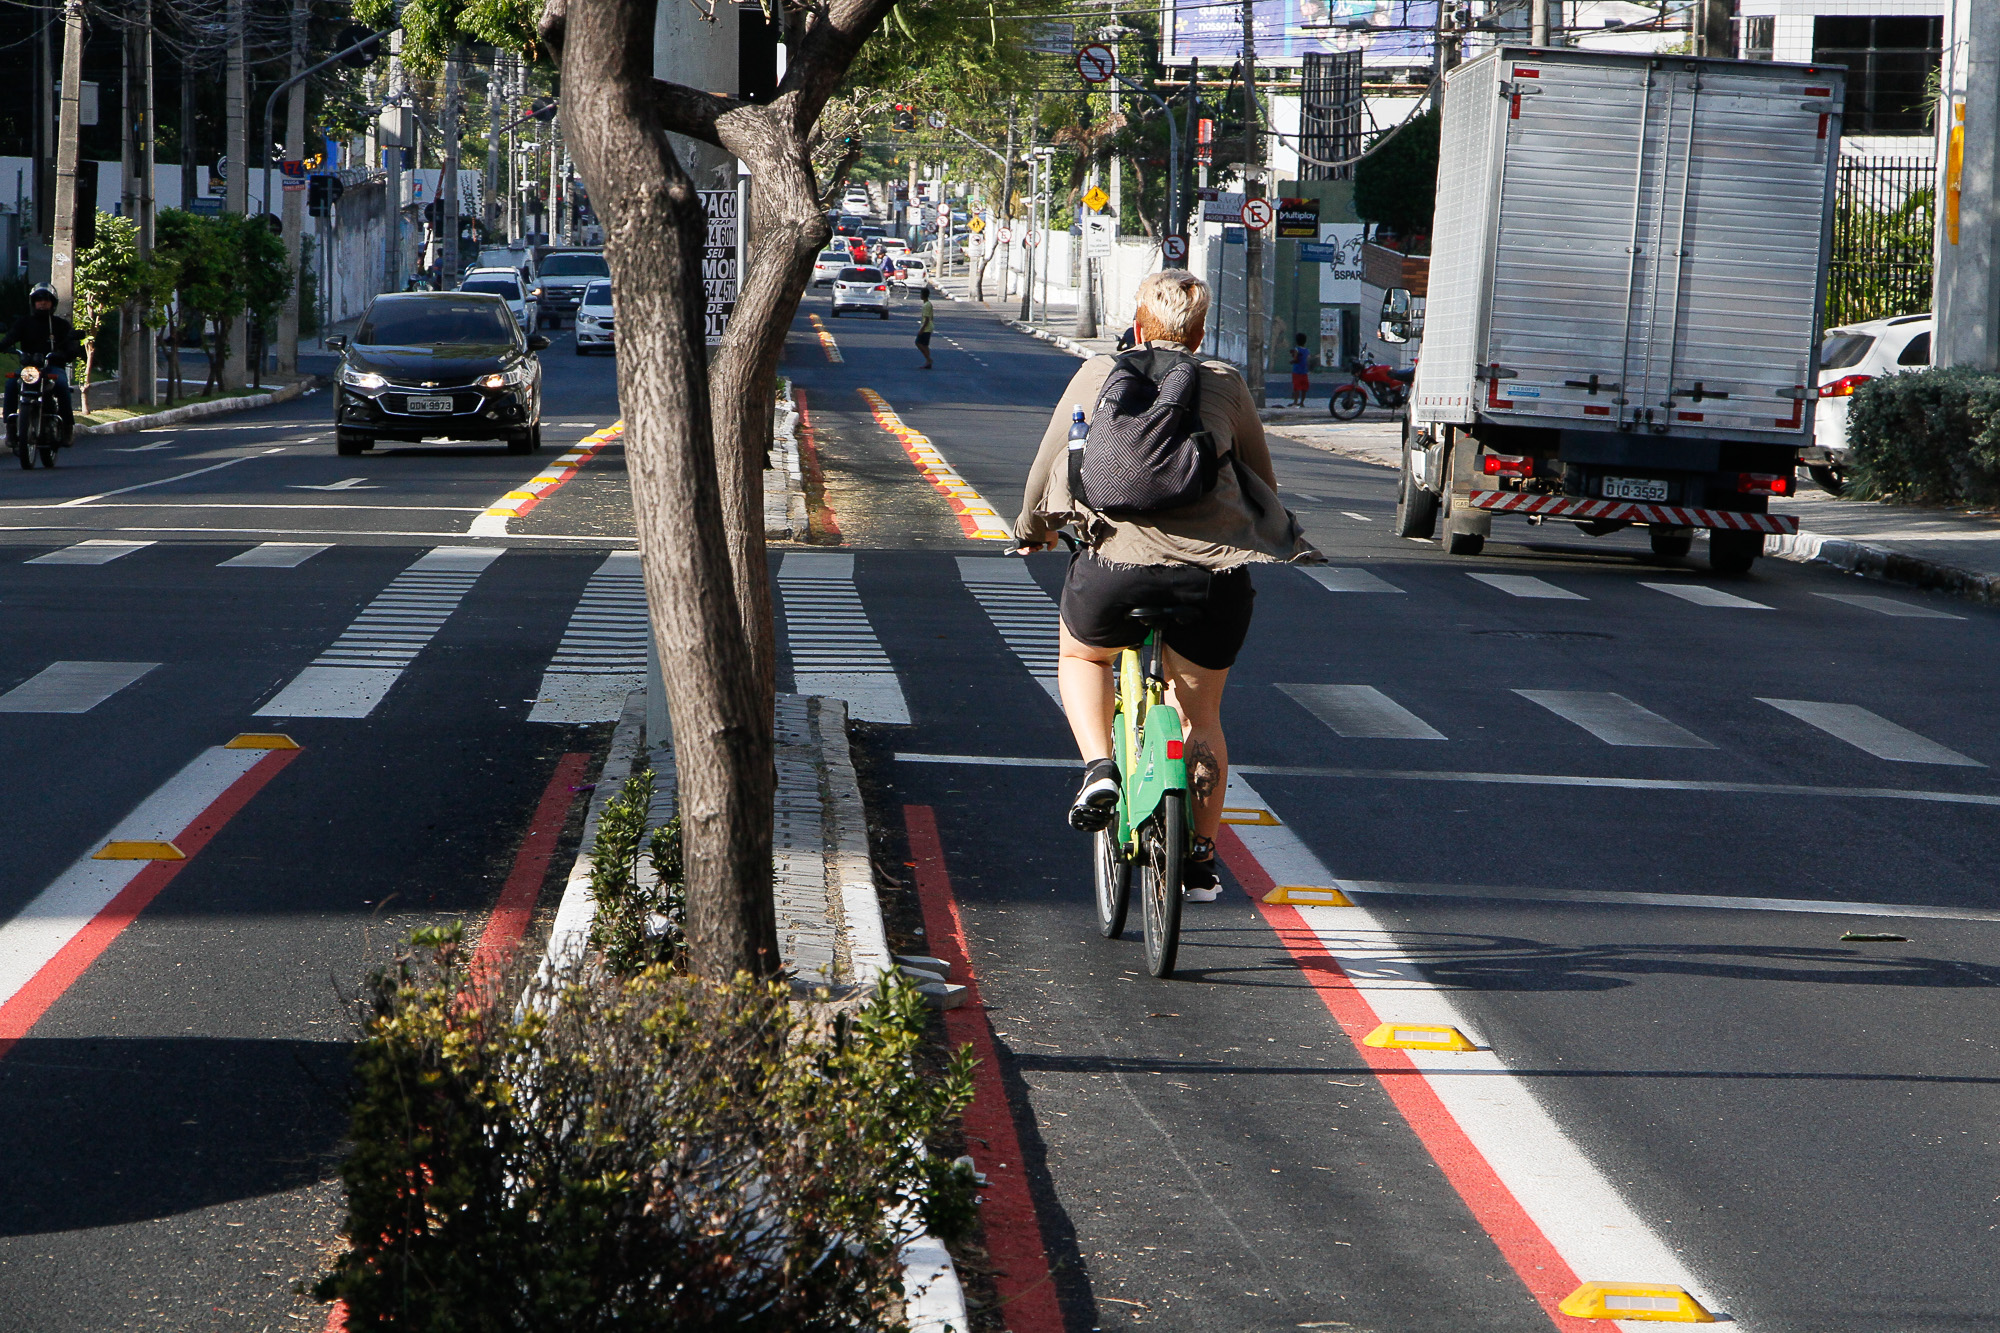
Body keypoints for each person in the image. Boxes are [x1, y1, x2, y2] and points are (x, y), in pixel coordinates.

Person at [1013, 270, 1320, 900]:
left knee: (1082, 654)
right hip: (1212, 580)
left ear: (1138, 324)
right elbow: (1261, 479)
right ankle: (1200, 858)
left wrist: (1035, 530)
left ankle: (1100, 766)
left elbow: (1049, 466)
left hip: (1112, 573)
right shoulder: (1228, 386)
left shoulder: (1098, 375)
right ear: (1201, 331)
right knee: (1200, 717)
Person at [1, 283, 81, 446]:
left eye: (46, 300)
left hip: (51, 367)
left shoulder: (60, 325)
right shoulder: (24, 323)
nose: (42, 303)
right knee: (10, 384)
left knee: (62, 385)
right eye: (38, 300)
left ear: (53, 303)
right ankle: (10, 427)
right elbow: (10, 338)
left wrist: (65, 353)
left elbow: (72, 345)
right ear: (33, 302)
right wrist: (3, 346)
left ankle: (67, 427)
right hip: (29, 369)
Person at [1289, 332, 1312, 407]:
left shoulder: (1296, 349)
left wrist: (1291, 361)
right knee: (1304, 388)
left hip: (1296, 371)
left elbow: (1296, 359)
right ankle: (1302, 402)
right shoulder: (1307, 350)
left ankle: (1295, 402)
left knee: (1296, 387)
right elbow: (1308, 359)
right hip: (1304, 371)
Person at [916, 286, 935, 369]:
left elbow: (927, 319)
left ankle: (928, 359)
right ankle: (928, 363)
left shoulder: (926, 305)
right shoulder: (928, 304)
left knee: (918, 343)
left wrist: (922, 329)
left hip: (926, 328)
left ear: (923, 295)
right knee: (925, 345)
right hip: (929, 326)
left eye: (921, 294)